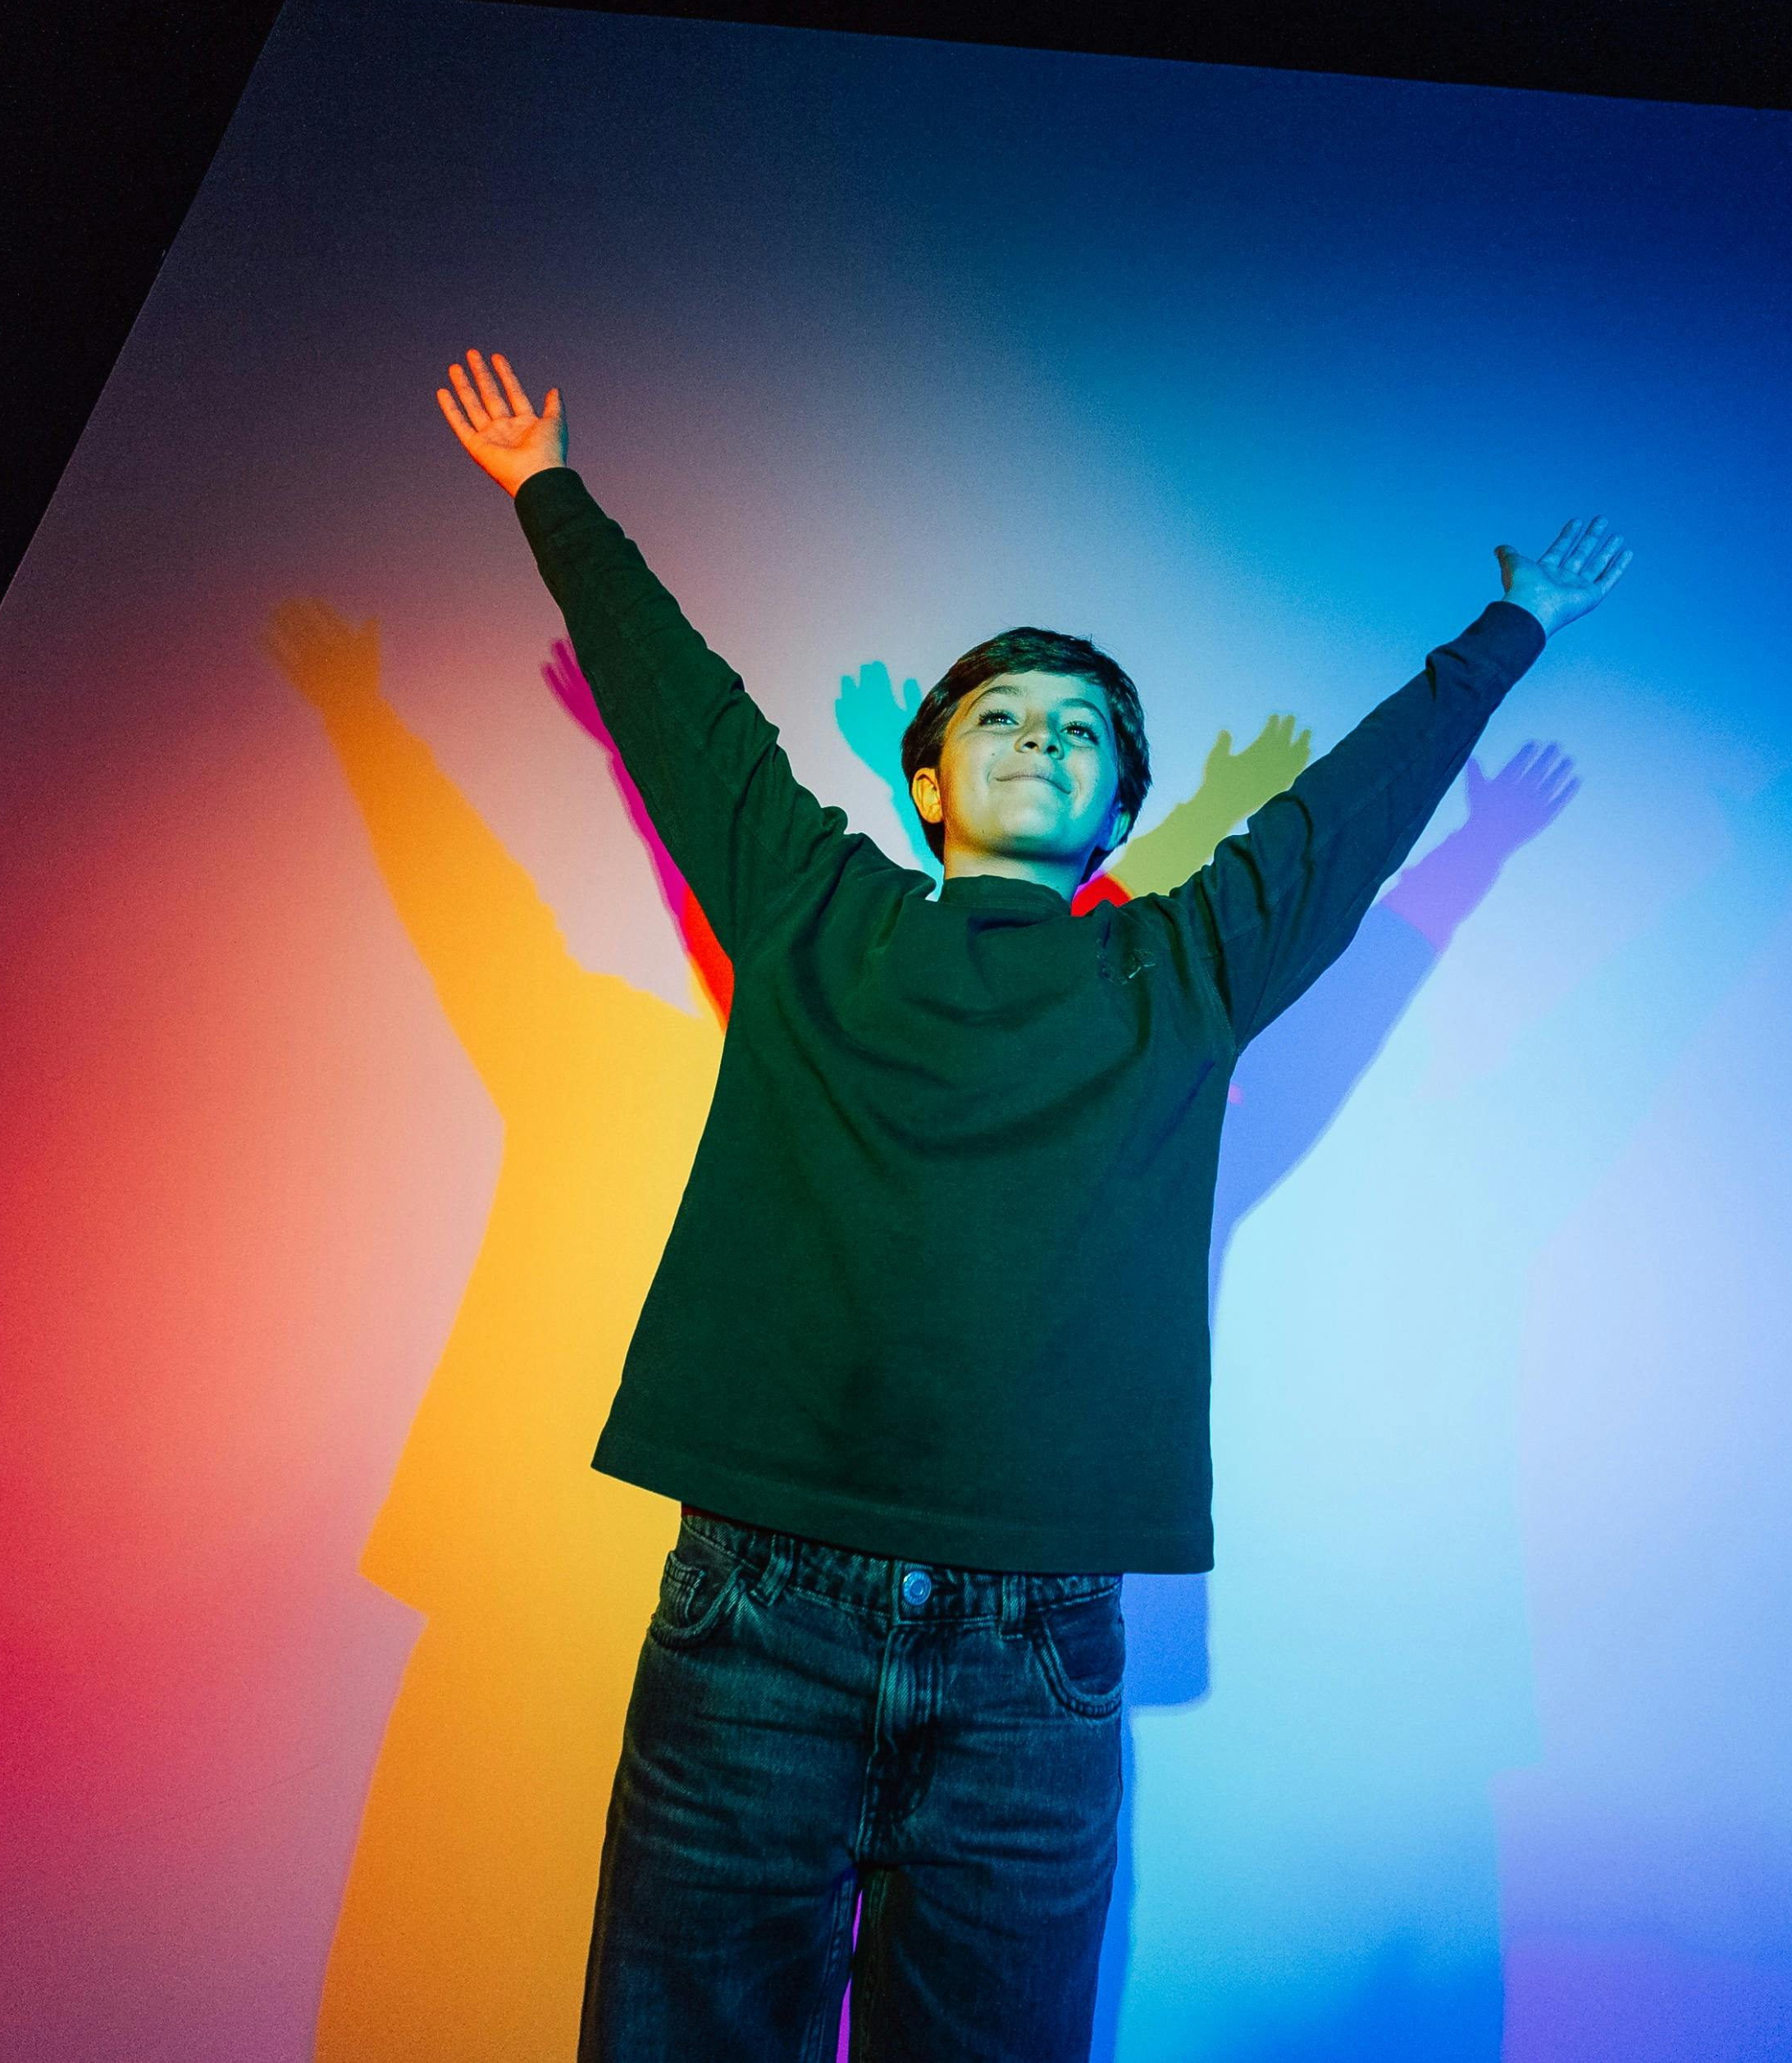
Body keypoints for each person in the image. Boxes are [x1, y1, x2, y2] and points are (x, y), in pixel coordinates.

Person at [432, 346, 1629, 2063]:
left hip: (1035, 1663)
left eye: (1079, 731)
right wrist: (546, 488)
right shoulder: (809, 910)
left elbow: (1336, 825)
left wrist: (1502, 633)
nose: (1038, 741)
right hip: (754, 1618)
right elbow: (689, 721)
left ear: (1115, 809)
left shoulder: (1180, 968)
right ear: (925, 784)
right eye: (997, 716)